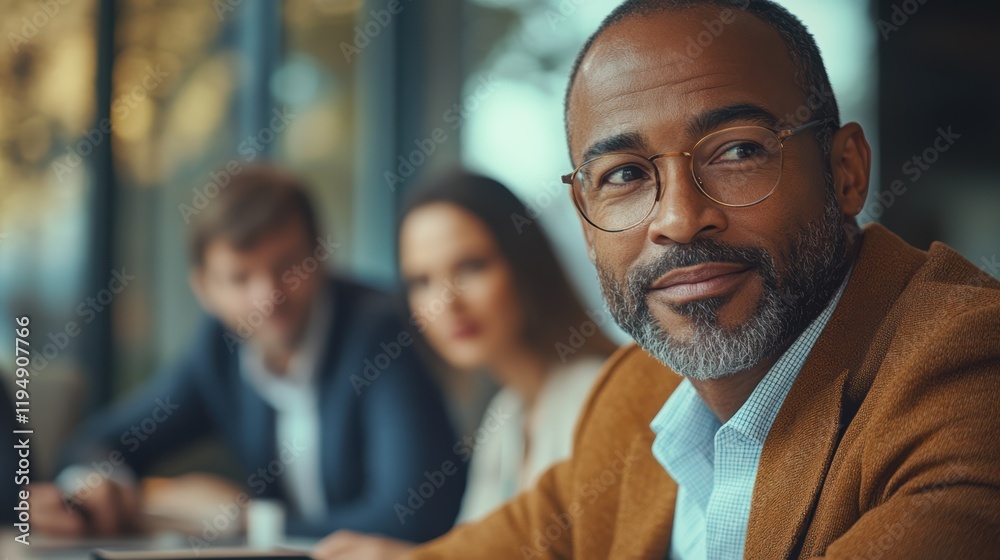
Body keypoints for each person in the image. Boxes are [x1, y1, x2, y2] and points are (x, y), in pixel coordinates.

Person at [406, 1, 1000, 559]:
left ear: (846, 172)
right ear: (587, 226)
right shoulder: (634, 393)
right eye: (625, 175)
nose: (679, 220)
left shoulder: (968, 364)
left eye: (738, 151)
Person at [28, 165, 465, 541]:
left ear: (319, 255)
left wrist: (246, 520)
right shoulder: (219, 350)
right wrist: (95, 488)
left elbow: (414, 517)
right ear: (204, 288)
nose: (268, 296)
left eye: (287, 266)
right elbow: (96, 441)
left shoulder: (382, 334)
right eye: (240, 278)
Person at [313, 169, 619, 559]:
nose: (446, 303)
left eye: (471, 267)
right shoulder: (505, 416)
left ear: (525, 263)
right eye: (421, 281)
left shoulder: (593, 394)